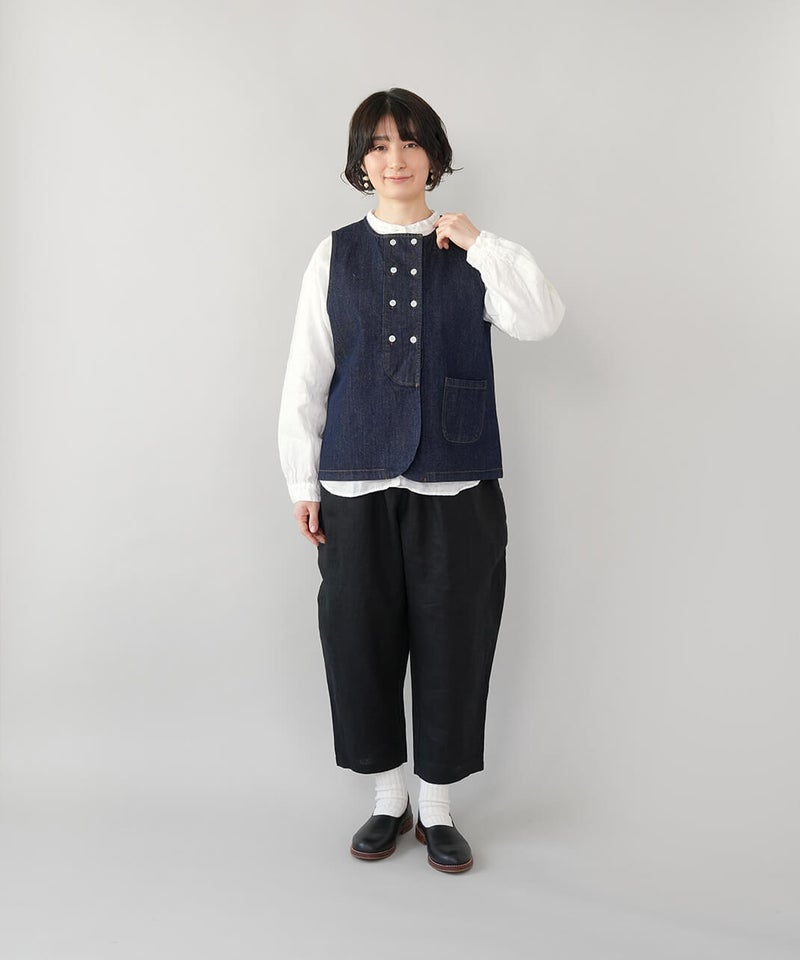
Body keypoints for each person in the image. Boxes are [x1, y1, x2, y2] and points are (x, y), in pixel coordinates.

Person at [278, 87, 565, 873]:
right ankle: (388, 800)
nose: (395, 158)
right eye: (378, 145)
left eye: (409, 142)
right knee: (358, 642)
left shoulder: (472, 250)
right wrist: (303, 480)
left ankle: (436, 807)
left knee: (456, 641)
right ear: (360, 163)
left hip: (456, 484)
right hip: (355, 481)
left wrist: (479, 242)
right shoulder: (334, 253)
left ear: (434, 155)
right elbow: (307, 372)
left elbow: (541, 319)